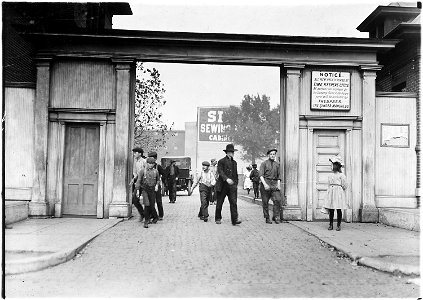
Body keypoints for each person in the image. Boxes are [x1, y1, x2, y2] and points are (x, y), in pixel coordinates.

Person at [215, 144, 242, 226]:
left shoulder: (234, 163)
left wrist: (236, 184)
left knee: (233, 203)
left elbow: (235, 175)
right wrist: (226, 179)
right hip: (222, 186)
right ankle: (218, 218)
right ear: (226, 152)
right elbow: (220, 172)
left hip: (232, 187)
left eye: (232, 152)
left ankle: (234, 220)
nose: (231, 153)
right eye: (230, 152)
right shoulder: (221, 161)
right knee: (220, 203)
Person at [323, 156, 348, 231]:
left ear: (337, 166)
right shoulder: (330, 175)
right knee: (331, 209)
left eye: (333, 165)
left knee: (338, 209)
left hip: (338, 193)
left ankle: (338, 224)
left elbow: (345, 185)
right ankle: (330, 224)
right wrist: (329, 192)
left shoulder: (341, 175)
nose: (332, 166)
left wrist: (339, 189)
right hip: (331, 192)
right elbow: (329, 184)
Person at [135, 157, 160, 228]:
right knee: (147, 205)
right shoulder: (142, 171)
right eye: (149, 163)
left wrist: (157, 186)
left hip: (152, 190)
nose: (151, 165)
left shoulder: (156, 171)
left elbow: (158, 180)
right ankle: (146, 221)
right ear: (146, 163)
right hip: (145, 190)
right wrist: (137, 190)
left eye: (152, 164)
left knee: (152, 205)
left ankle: (155, 217)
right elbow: (139, 181)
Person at [259, 148, 282, 224]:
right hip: (266, 183)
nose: (272, 155)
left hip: (274, 184)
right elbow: (261, 175)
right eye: (271, 154)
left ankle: (275, 216)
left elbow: (279, 176)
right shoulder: (264, 164)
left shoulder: (277, 165)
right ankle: (267, 217)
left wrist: (278, 185)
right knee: (265, 202)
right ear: (268, 155)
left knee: (277, 200)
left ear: (275, 155)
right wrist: (265, 184)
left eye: (274, 154)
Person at [147, 151, 166, 220]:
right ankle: (152, 215)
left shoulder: (158, 167)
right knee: (150, 201)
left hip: (157, 186)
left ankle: (161, 215)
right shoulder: (147, 167)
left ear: (155, 159)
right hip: (149, 186)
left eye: (151, 158)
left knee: (158, 201)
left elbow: (164, 174)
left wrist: (160, 179)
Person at [129, 147, 146, 222]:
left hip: (144, 183)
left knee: (147, 200)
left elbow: (146, 172)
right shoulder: (136, 162)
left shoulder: (144, 161)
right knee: (134, 199)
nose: (134, 154)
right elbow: (135, 173)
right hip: (138, 182)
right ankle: (142, 214)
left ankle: (151, 215)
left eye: (135, 153)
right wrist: (133, 179)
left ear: (140, 153)